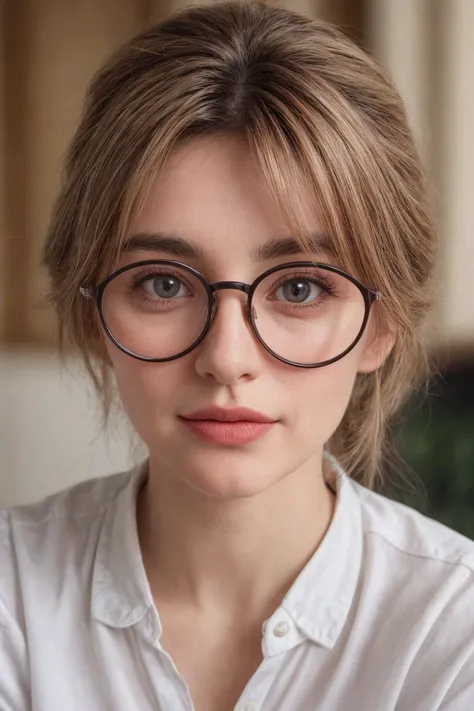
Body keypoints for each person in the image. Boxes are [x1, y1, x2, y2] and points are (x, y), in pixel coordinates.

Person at [1, 1, 473, 709]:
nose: (227, 358)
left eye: (301, 286)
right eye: (163, 284)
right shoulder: (14, 601)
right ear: (91, 309)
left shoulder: (454, 632)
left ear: (383, 324)